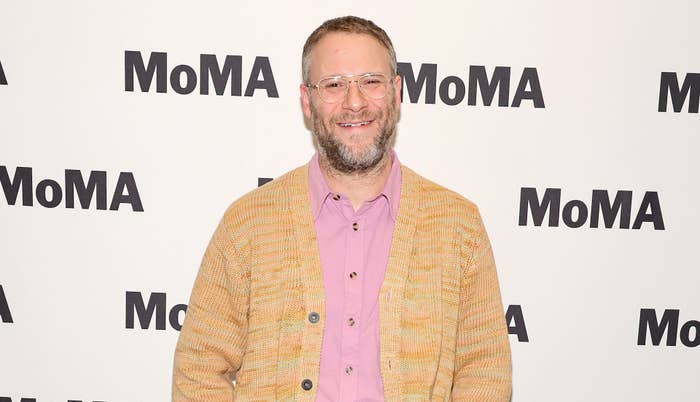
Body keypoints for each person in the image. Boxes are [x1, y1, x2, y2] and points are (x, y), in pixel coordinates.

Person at [172, 15, 511, 401]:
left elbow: (484, 372)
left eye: (371, 82)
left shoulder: (458, 227)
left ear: (396, 92)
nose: (354, 102)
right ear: (307, 100)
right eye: (333, 85)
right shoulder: (248, 223)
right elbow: (199, 368)